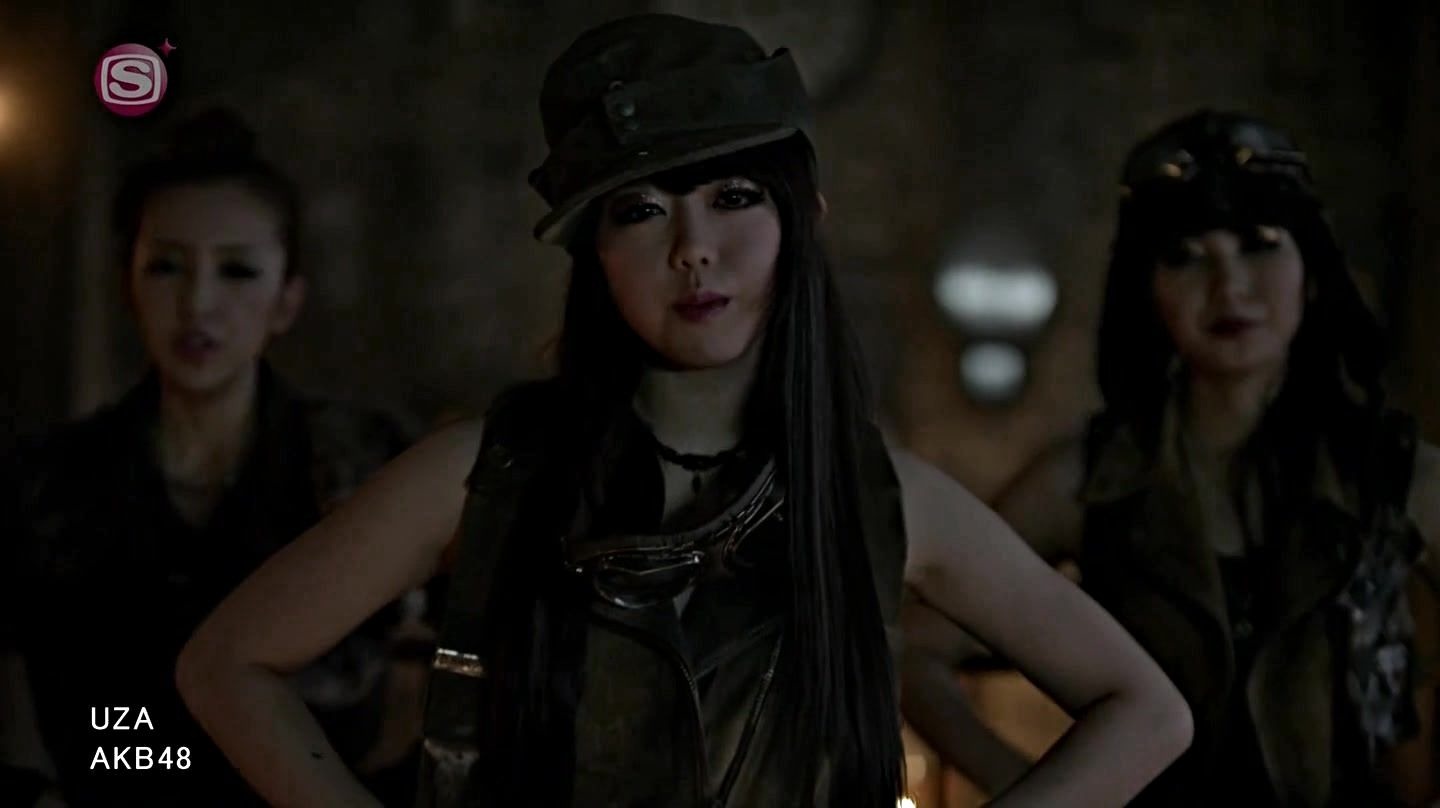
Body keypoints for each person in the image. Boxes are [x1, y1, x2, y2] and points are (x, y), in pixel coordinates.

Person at [176, 15, 1192, 807]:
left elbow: (1147, 713)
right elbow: (227, 665)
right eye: (642, 211)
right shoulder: (490, 471)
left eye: (734, 197)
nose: (693, 248)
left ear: (803, 219)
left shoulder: (883, 496)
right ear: (595, 253)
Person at [909, 110, 1440, 806]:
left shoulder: (1397, 474)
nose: (1229, 287)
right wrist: (1048, 791)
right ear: (1147, 286)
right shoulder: (1086, 480)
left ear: (1310, 269)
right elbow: (911, 652)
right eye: (1186, 256)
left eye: (1259, 245)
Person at [0, 108, 426, 807]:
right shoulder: (46, 480)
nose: (198, 304)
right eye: (166, 266)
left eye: (237, 270)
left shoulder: (368, 464)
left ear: (286, 298)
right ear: (128, 283)